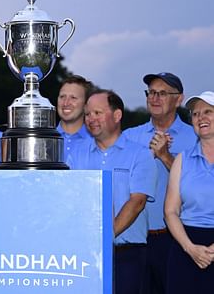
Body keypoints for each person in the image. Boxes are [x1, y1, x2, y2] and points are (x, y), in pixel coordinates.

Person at [67, 89, 156, 294]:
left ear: (117, 116)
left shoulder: (140, 155)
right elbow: (69, 198)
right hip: (83, 254)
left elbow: (137, 202)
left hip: (127, 254)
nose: (91, 119)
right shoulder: (76, 154)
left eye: (97, 113)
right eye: (87, 114)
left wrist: (105, 237)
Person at [123, 72, 196, 294]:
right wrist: (145, 157)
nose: (155, 98)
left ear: (179, 99)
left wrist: (165, 156)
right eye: (151, 92)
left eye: (162, 93)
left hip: (176, 239)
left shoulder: (195, 137)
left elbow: (197, 187)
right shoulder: (129, 136)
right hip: (134, 240)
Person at [164, 91, 214, 294]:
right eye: (195, 114)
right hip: (186, 247)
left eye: (208, 112)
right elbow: (170, 212)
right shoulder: (182, 160)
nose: (200, 118)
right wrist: (191, 249)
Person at [56, 75, 94, 161]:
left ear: (86, 105)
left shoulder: (98, 143)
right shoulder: (44, 140)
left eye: (73, 98)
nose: (66, 103)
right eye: (62, 97)